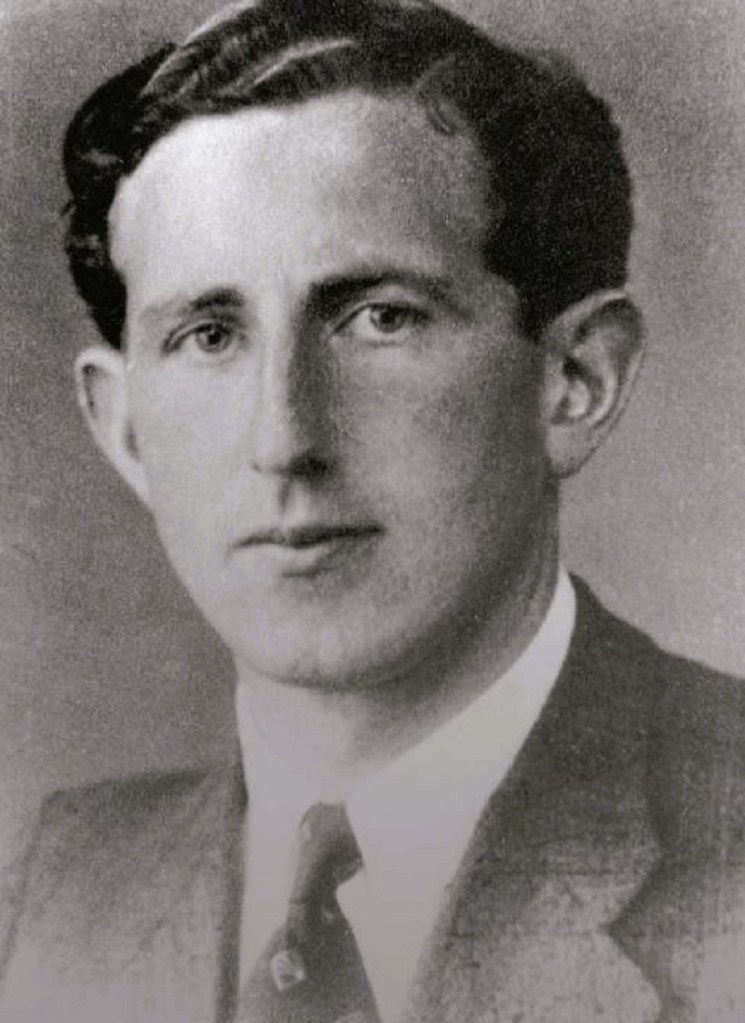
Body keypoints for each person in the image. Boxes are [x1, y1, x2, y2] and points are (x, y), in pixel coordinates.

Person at [2, 0, 744, 1020]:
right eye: (209, 336)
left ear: (576, 381)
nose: (282, 439)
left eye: (378, 318)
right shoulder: (50, 900)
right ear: (125, 428)